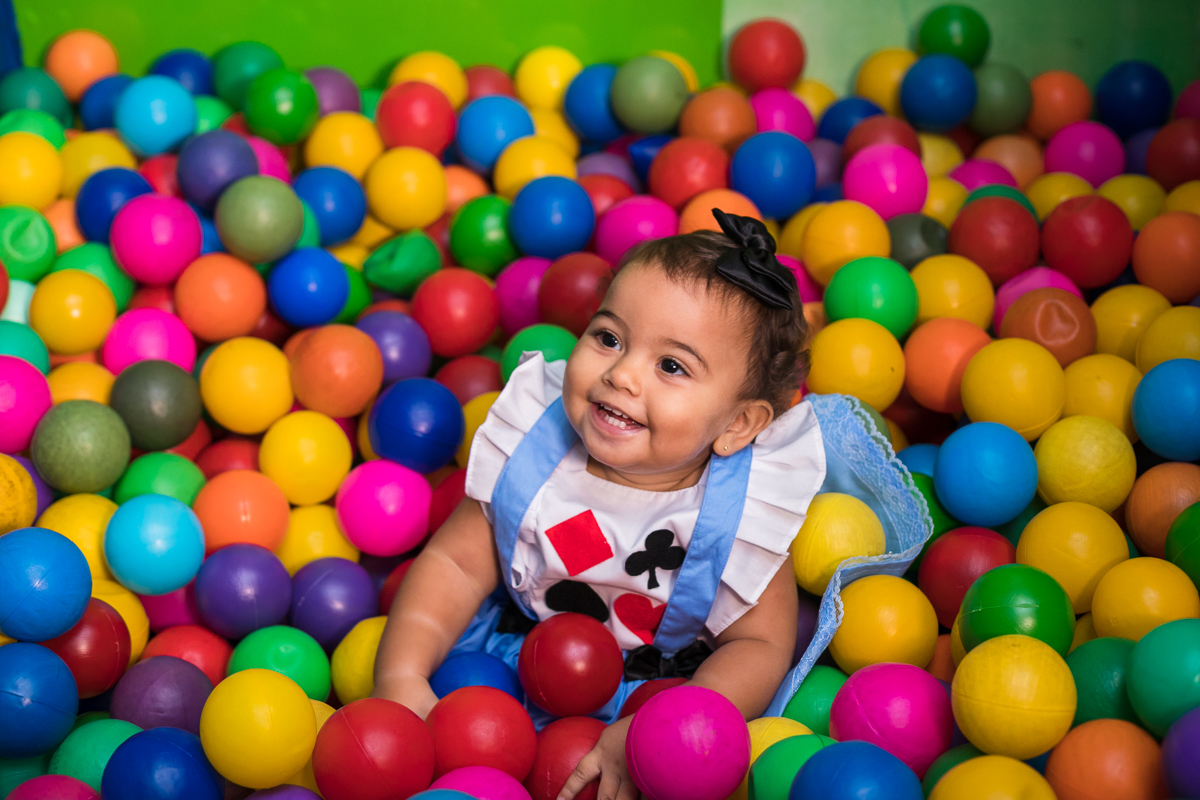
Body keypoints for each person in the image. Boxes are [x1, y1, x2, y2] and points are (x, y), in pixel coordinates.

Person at [372, 209, 914, 800]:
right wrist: (402, 674)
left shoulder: (740, 514)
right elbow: (454, 565)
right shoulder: (530, 451)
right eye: (609, 337)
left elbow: (759, 646)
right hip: (508, 664)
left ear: (737, 425)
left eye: (671, 366)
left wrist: (664, 728)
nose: (622, 374)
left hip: (654, 693)